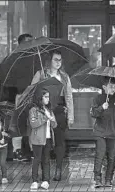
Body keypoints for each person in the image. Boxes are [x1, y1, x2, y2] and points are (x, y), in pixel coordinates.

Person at [31, 49, 74, 181]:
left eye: (60, 60)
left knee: (60, 141)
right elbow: (31, 91)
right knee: (45, 141)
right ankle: (45, 171)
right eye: (55, 59)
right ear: (49, 60)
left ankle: (59, 169)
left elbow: (69, 96)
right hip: (44, 110)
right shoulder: (41, 74)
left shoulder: (65, 76)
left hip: (59, 109)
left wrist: (70, 115)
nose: (58, 62)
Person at [90, 77, 115, 188]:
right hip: (100, 132)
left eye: (114, 87)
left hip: (112, 133)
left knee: (111, 157)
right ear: (104, 87)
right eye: (110, 86)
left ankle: (109, 179)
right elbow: (93, 113)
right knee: (99, 155)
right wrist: (101, 108)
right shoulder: (98, 99)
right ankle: (97, 179)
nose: (113, 89)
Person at [28, 88, 57, 190]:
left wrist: (52, 120)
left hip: (48, 138)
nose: (48, 99)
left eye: (48, 97)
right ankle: (35, 180)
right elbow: (34, 124)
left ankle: (46, 180)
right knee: (37, 160)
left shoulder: (49, 110)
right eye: (45, 97)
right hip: (37, 139)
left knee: (46, 160)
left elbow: (54, 125)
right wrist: (46, 118)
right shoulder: (33, 110)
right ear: (40, 98)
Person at [12, 33, 34, 162]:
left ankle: (33, 149)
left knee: (33, 122)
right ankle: (17, 151)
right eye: (28, 42)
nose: (31, 44)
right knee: (18, 122)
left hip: (33, 93)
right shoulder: (16, 59)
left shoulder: (34, 58)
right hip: (21, 93)